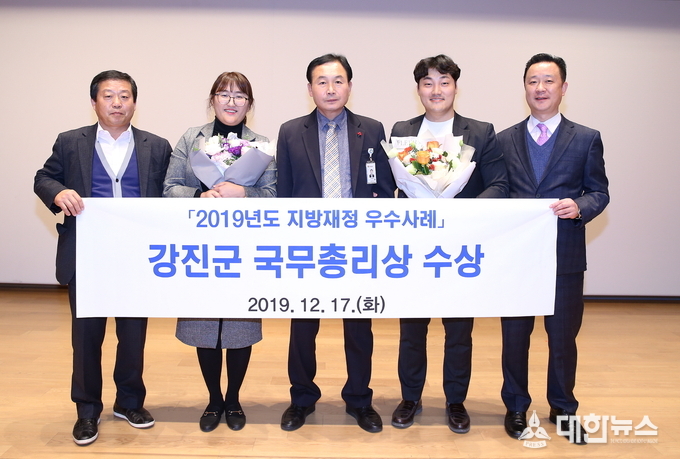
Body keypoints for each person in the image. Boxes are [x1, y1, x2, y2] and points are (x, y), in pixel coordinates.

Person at [34, 70, 173, 446]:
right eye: (108, 96)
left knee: (133, 335)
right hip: (87, 255)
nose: (117, 103)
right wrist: (58, 192)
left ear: (134, 103)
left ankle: (129, 402)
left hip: (137, 256)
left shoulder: (157, 146)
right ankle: (87, 410)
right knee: (86, 337)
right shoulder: (70, 141)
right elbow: (43, 178)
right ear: (94, 102)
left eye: (124, 96)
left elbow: (170, 193)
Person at [276, 53, 396, 433]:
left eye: (338, 80)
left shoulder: (372, 129)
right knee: (303, 326)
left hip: (357, 244)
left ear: (350, 86)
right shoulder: (290, 131)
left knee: (359, 326)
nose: (331, 88)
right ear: (310, 89)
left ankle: (359, 399)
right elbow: (284, 193)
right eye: (322, 81)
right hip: (307, 244)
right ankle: (301, 399)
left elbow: (384, 187)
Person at [390, 54, 509, 434]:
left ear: (456, 87)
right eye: (428, 82)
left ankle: (456, 401)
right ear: (418, 89)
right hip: (415, 246)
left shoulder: (480, 132)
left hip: (460, 246)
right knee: (412, 329)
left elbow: (499, 184)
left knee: (459, 331)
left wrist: (464, 213)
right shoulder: (403, 130)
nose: (436, 90)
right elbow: (395, 187)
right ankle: (410, 397)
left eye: (444, 82)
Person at [497, 53, 609, 444]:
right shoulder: (504, 139)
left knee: (562, 339)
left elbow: (599, 192)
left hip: (565, 256)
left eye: (548, 81)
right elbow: (499, 191)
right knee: (515, 338)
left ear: (563, 87)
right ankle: (515, 406)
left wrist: (580, 206)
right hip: (517, 258)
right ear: (524, 88)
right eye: (533, 81)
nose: (540, 88)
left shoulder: (586, 138)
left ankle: (563, 408)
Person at [163, 72, 276, 432]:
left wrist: (244, 193)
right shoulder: (191, 138)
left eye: (240, 96)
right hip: (199, 246)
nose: (231, 101)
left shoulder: (262, 145)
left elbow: (274, 195)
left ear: (250, 104)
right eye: (224, 94)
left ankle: (234, 399)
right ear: (212, 99)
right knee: (205, 323)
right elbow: (169, 188)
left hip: (245, 247)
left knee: (240, 324)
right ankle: (214, 399)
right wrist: (201, 194)